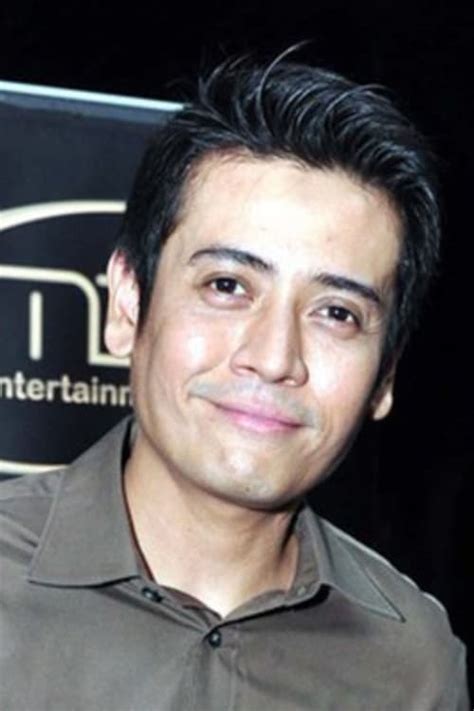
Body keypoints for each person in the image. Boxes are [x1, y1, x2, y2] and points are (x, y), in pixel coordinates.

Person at [0, 55, 469, 710]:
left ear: (385, 373)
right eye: (227, 286)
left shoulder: (412, 664)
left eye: (336, 313)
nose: (274, 357)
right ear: (128, 305)